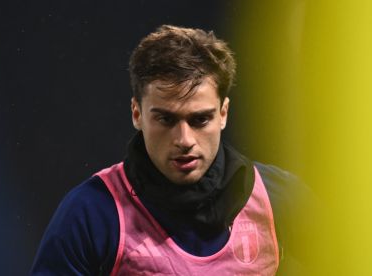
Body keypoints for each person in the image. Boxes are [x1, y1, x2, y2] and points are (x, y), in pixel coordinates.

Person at [31, 25, 312, 275]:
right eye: (166, 119)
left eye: (200, 119)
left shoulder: (280, 199)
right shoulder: (91, 213)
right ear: (137, 114)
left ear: (223, 114)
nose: (184, 139)